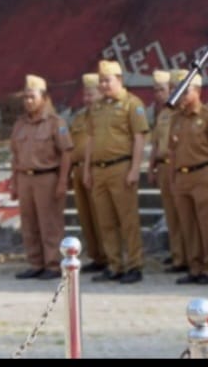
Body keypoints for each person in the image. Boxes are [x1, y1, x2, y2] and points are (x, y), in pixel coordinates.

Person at [84, 59, 149, 284]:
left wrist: (134, 169)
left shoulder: (132, 103)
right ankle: (114, 264)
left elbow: (139, 138)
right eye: (100, 81)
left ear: (119, 80)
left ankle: (134, 264)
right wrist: (87, 169)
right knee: (106, 221)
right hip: (99, 170)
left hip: (121, 168)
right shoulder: (97, 107)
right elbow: (90, 140)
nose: (103, 85)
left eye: (107, 81)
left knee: (127, 220)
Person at [9, 74, 73, 280]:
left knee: (50, 223)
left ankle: (53, 264)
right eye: (25, 97)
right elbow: (15, 155)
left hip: (47, 177)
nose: (28, 101)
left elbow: (66, 152)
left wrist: (63, 180)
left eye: (32, 97)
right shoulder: (20, 124)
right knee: (29, 223)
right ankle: (35, 262)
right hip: (25, 177)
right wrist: (14, 182)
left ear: (44, 98)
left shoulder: (55, 122)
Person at [168, 70, 208, 285]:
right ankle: (194, 267)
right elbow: (172, 151)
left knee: (205, 226)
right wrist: (173, 179)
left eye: (186, 90)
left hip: (203, 174)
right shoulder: (176, 119)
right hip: (182, 177)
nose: (181, 95)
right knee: (188, 226)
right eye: (178, 90)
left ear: (198, 91)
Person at [67, 72, 108, 273]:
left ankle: (110, 256)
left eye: (90, 94)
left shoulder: (105, 116)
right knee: (87, 217)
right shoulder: (79, 118)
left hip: (97, 169)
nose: (86, 99)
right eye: (85, 94)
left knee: (102, 216)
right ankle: (96, 256)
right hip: (78, 170)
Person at [147, 69, 187, 273]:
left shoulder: (184, 114)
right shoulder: (163, 113)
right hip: (164, 166)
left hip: (181, 167)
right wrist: (151, 166)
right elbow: (156, 142)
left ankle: (190, 256)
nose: (166, 93)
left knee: (185, 215)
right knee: (171, 214)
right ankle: (177, 255)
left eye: (170, 89)